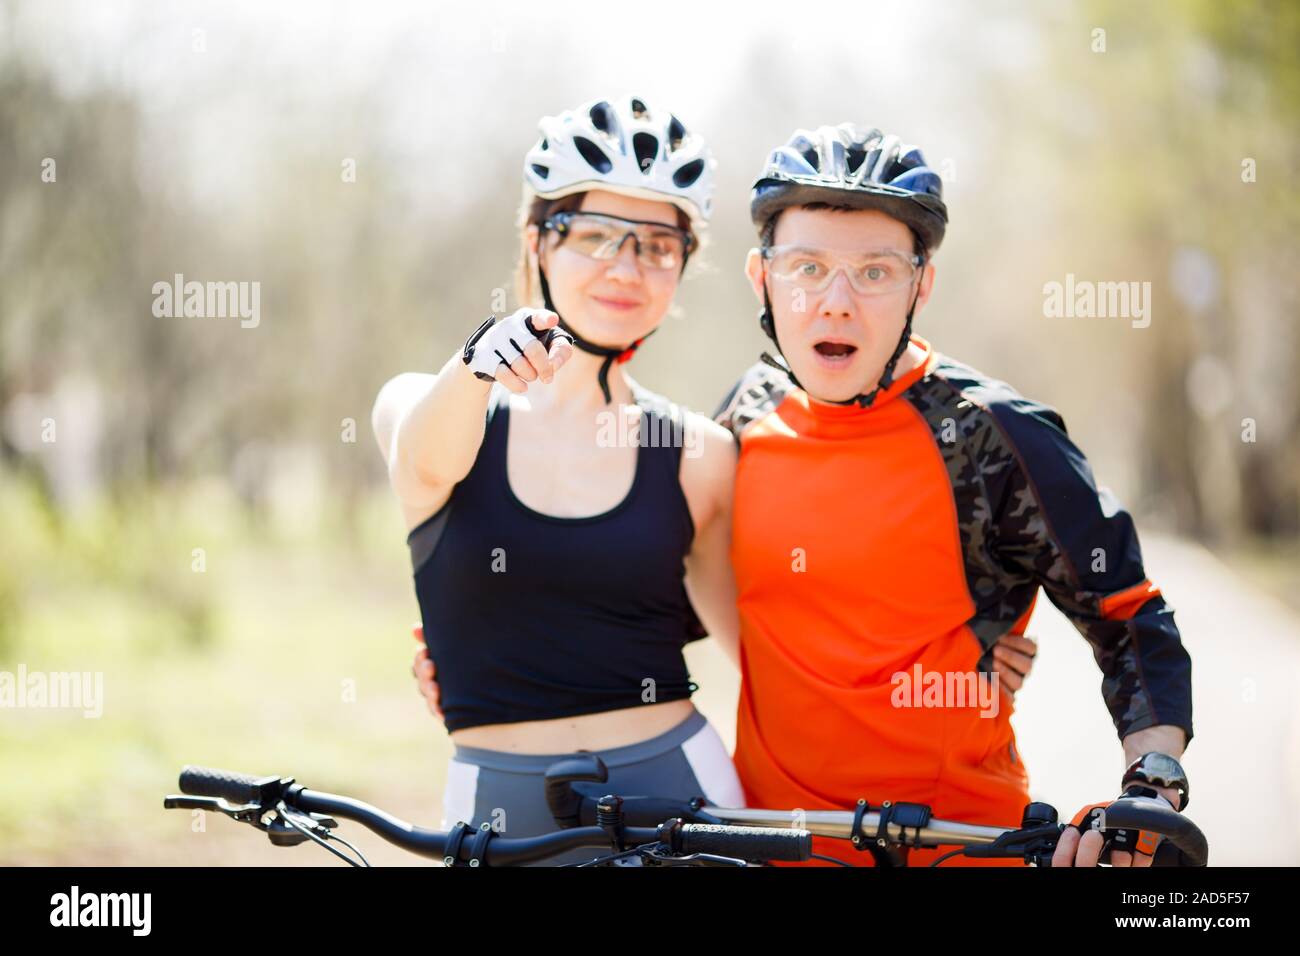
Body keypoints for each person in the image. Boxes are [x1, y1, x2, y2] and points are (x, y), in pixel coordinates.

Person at [710, 123, 1194, 866]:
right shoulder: (742, 415)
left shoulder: (996, 435)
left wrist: (1149, 786)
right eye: (806, 267)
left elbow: (1129, 618)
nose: (836, 302)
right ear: (761, 278)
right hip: (769, 845)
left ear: (920, 284)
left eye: (874, 272)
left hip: (956, 846)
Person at [371, 95, 746, 864]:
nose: (627, 267)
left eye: (658, 245)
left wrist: (964, 652)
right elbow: (426, 461)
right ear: (538, 242)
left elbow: (771, 655)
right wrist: (481, 360)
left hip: (682, 794)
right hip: (496, 813)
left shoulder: (702, 451)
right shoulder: (425, 403)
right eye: (597, 235)